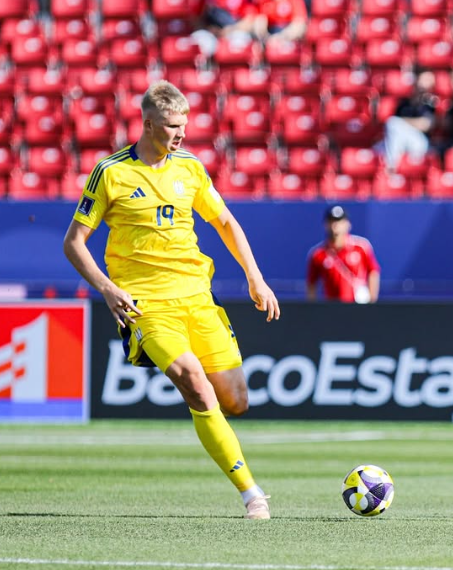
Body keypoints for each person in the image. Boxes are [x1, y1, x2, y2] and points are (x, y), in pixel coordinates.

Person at [63, 81, 280, 520]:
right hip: (147, 305)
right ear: (148, 123)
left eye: (184, 125)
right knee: (195, 383)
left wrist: (255, 277)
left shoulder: (190, 168)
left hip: (198, 298)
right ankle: (251, 494)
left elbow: (225, 222)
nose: (181, 134)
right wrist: (108, 288)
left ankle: (217, 426)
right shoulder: (111, 172)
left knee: (236, 401)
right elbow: (74, 243)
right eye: (172, 126)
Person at [306, 205, 380, 304]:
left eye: (339, 221)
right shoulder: (318, 253)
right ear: (326, 224)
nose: (335, 225)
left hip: (358, 305)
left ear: (348, 224)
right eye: (331, 221)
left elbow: (373, 272)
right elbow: (311, 283)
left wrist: (372, 300)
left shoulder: (361, 247)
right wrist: (313, 309)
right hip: (332, 307)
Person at [376, 69, 438, 171]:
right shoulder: (404, 102)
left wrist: (403, 122)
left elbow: (426, 124)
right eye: (424, 79)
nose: (425, 83)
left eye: (429, 80)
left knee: (392, 122)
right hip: (402, 140)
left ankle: (392, 166)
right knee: (375, 150)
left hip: (421, 143)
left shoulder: (430, 101)